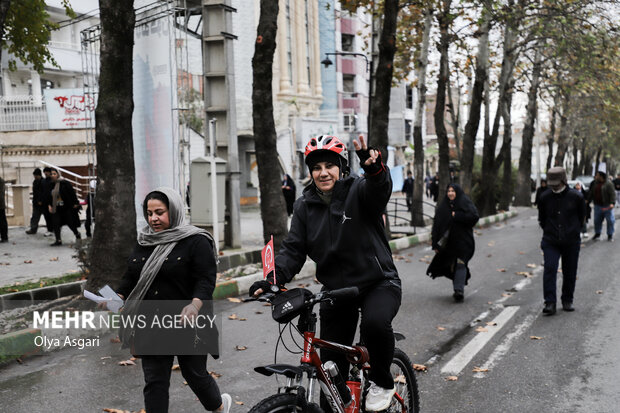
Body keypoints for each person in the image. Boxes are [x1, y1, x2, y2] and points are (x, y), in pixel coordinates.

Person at [250, 135, 401, 412]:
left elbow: (379, 191)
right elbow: (293, 250)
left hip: (378, 283)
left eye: (329, 166)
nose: (322, 172)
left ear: (341, 168)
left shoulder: (358, 190)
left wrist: (375, 169)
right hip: (337, 290)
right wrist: (272, 280)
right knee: (330, 373)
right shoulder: (304, 206)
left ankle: (382, 381)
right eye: (316, 167)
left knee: (375, 324)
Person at [113, 187, 231, 413]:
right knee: (155, 380)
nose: (153, 219)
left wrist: (195, 305)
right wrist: (117, 296)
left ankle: (218, 407)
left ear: (174, 210)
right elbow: (131, 275)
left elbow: (205, 279)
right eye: (149, 213)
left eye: (160, 212)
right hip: (152, 321)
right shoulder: (145, 240)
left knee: (194, 373)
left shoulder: (195, 241)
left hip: (188, 320)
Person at [537, 167, 585, 315]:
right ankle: (550, 302)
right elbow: (542, 219)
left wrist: (573, 230)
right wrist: (549, 231)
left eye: (557, 183)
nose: (554, 186)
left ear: (563, 180)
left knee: (569, 271)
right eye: (552, 183)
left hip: (571, 241)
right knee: (550, 269)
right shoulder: (544, 197)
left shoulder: (576, 197)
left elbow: (582, 217)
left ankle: (567, 300)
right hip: (551, 240)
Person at [427, 184, 479, 302]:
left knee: (460, 264)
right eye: (449, 191)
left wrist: (458, 215)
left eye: (453, 191)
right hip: (449, 245)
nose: (450, 193)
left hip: (463, 243)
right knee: (451, 266)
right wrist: (435, 244)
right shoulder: (443, 207)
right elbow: (437, 226)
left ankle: (458, 290)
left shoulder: (464, 202)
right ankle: (460, 282)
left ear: (458, 192)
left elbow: (474, 216)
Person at [47, 168, 81, 246]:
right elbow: (48, 197)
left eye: (54, 174)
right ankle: (58, 240)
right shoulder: (50, 184)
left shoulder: (65, 183)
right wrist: (49, 205)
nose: (52, 175)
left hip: (66, 207)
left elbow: (72, 194)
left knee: (70, 223)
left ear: (58, 174)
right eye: (51, 174)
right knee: (56, 223)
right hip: (56, 208)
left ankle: (77, 234)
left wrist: (75, 203)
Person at [588, 170, 615, 241]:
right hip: (597, 205)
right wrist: (588, 200)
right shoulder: (594, 183)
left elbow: (612, 194)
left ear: (601, 176)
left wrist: (612, 203)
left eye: (597, 175)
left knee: (610, 221)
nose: (595, 176)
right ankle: (597, 233)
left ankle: (610, 234)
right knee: (597, 220)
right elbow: (591, 192)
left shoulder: (608, 183)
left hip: (607, 206)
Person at [26, 169, 47, 234]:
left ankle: (51, 229)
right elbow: (35, 193)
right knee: (35, 217)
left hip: (43, 203)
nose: (35, 177)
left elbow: (43, 193)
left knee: (47, 217)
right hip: (36, 203)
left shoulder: (43, 182)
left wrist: (41, 200)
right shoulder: (35, 182)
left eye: (36, 175)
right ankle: (33, 229)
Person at [0, 176, 8, 243]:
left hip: (0, 205)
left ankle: (4, 237)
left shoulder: (1, 181)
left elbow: (1, 194)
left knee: (2, 222)